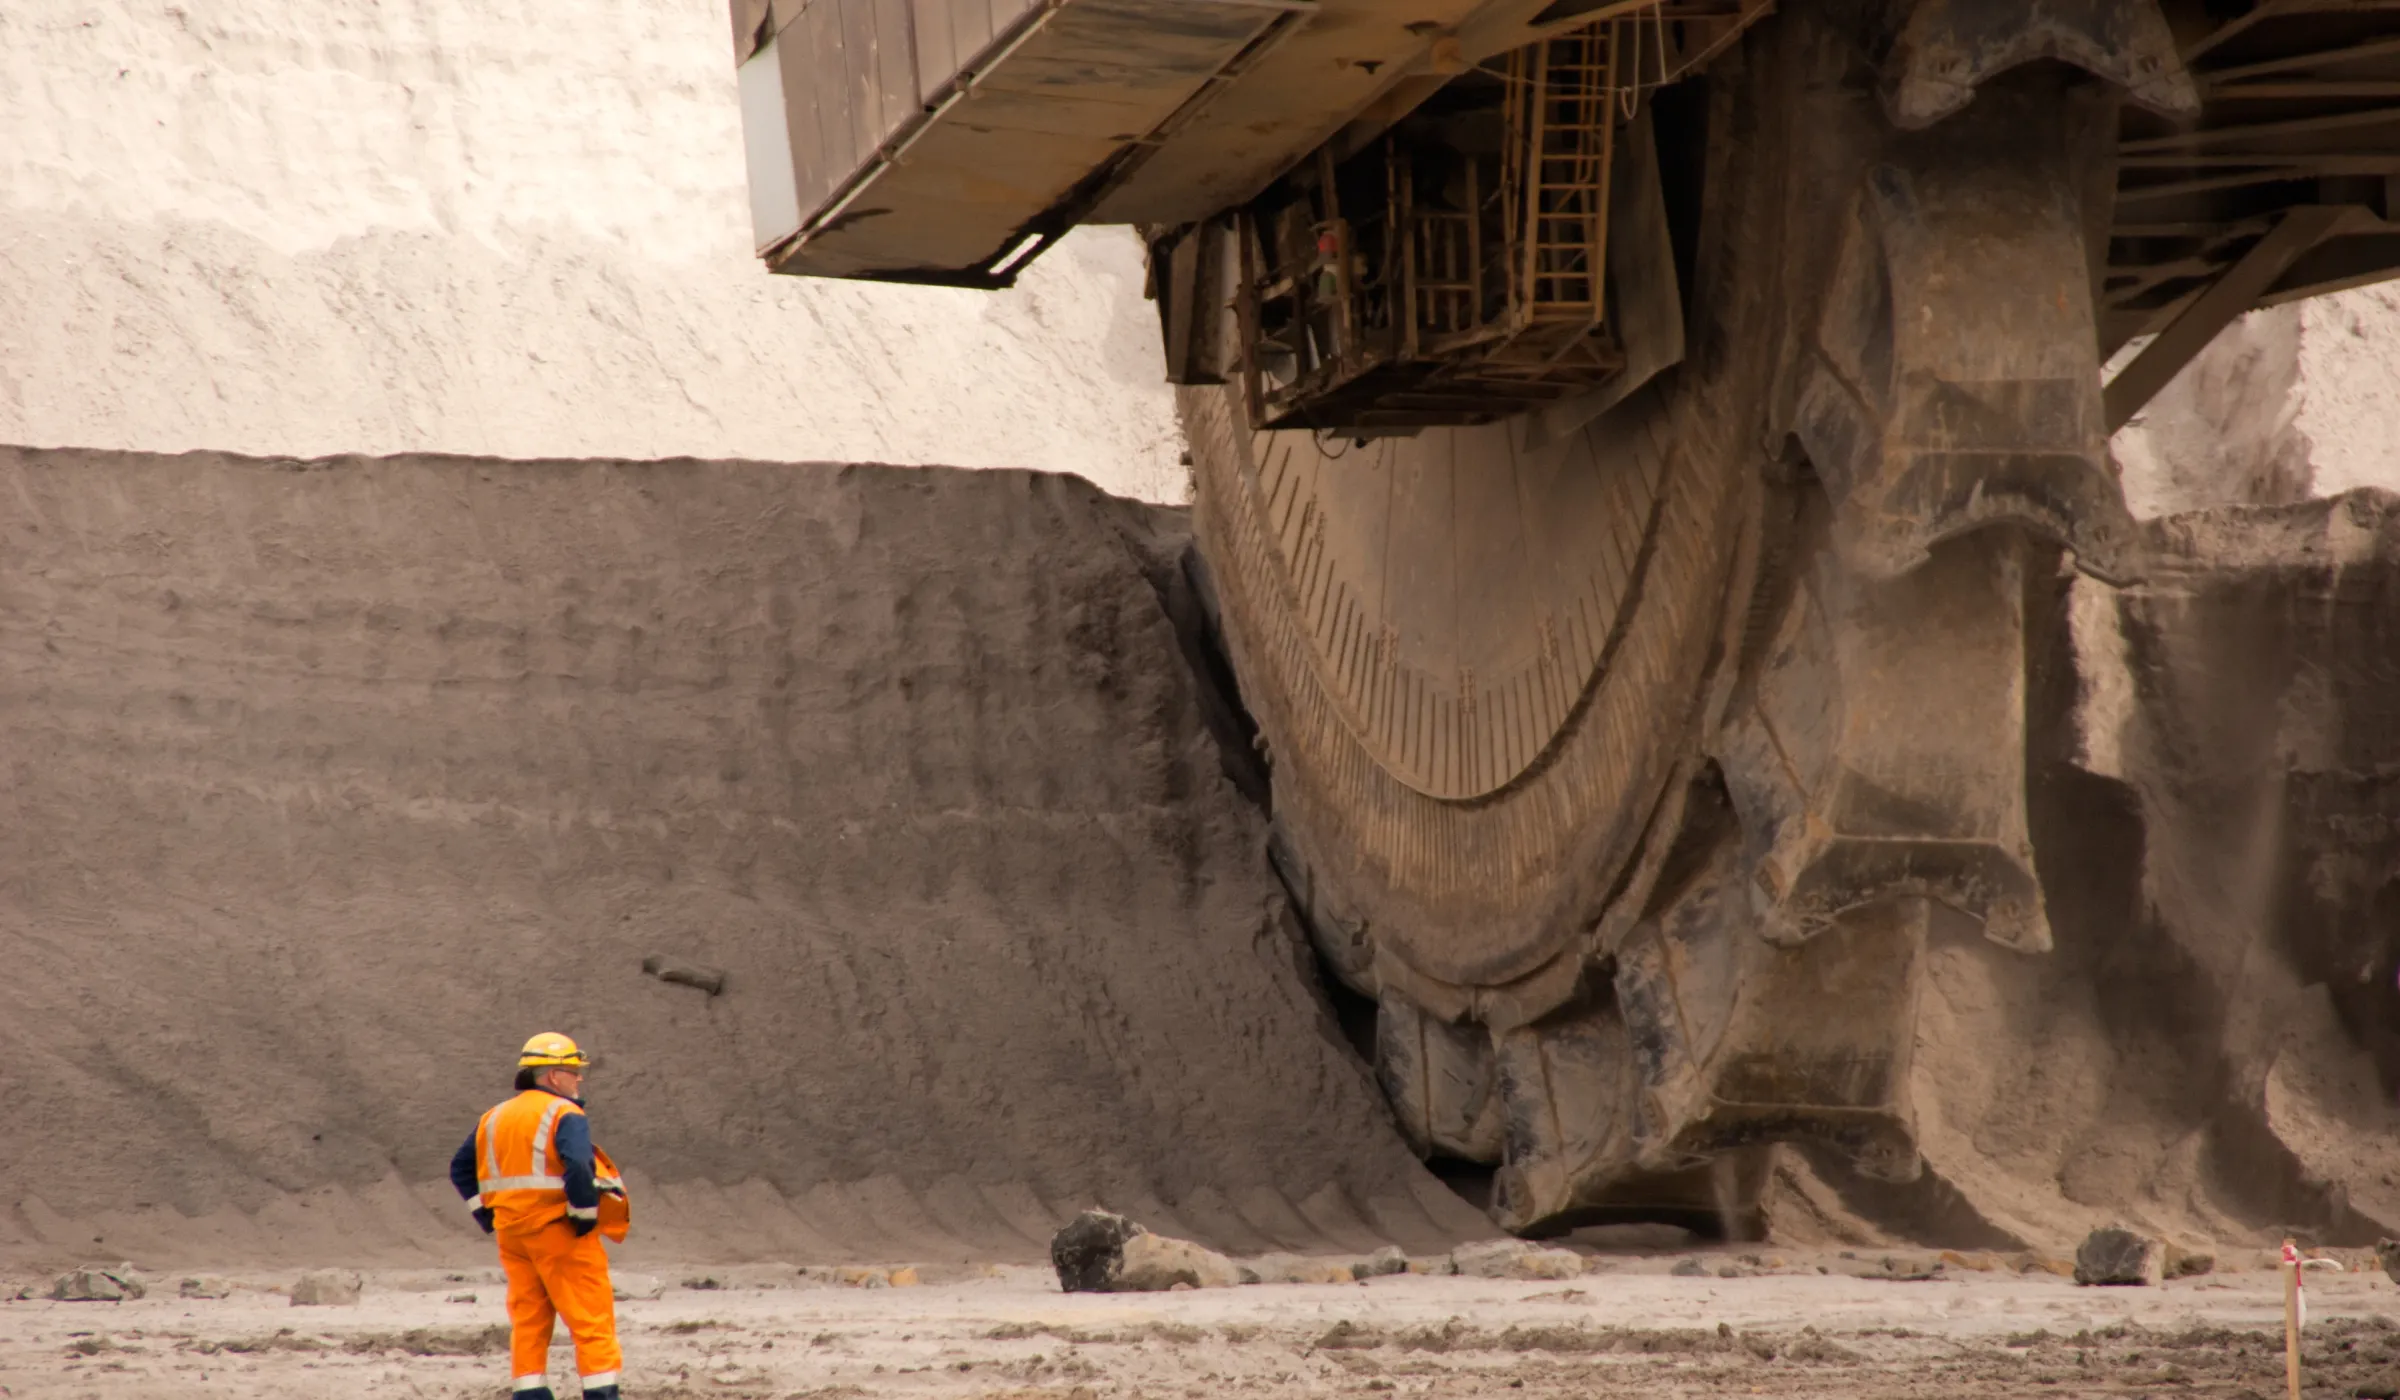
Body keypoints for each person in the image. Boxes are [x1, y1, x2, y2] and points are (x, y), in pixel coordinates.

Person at [450, 1033, 629, 1400]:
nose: (579, 1079)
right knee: (592, 1323)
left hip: (513, 1237)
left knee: (528, 1323)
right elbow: (578, 1164)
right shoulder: (566, 1113)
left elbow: (460, 1169)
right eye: (573, 1071)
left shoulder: (494, 1116)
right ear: (552, 1076)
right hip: (558, 1232)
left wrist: (486, 1215)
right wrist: (583, 1213)